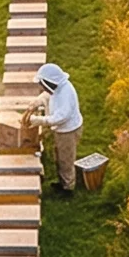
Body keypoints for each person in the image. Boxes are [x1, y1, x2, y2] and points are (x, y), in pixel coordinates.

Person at [32, 62, 82, 193]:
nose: (43, 87)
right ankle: (62, 181)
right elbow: (48, 94)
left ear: (51, 81)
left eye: (43, 84)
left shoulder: (66, 93)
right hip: (62, 130)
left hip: (68, 132)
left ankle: (67, 188)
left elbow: (61, 117)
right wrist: (38, 101)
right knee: (59, 156)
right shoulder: (58, 87)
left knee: (66, 160)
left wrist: (40, 120)